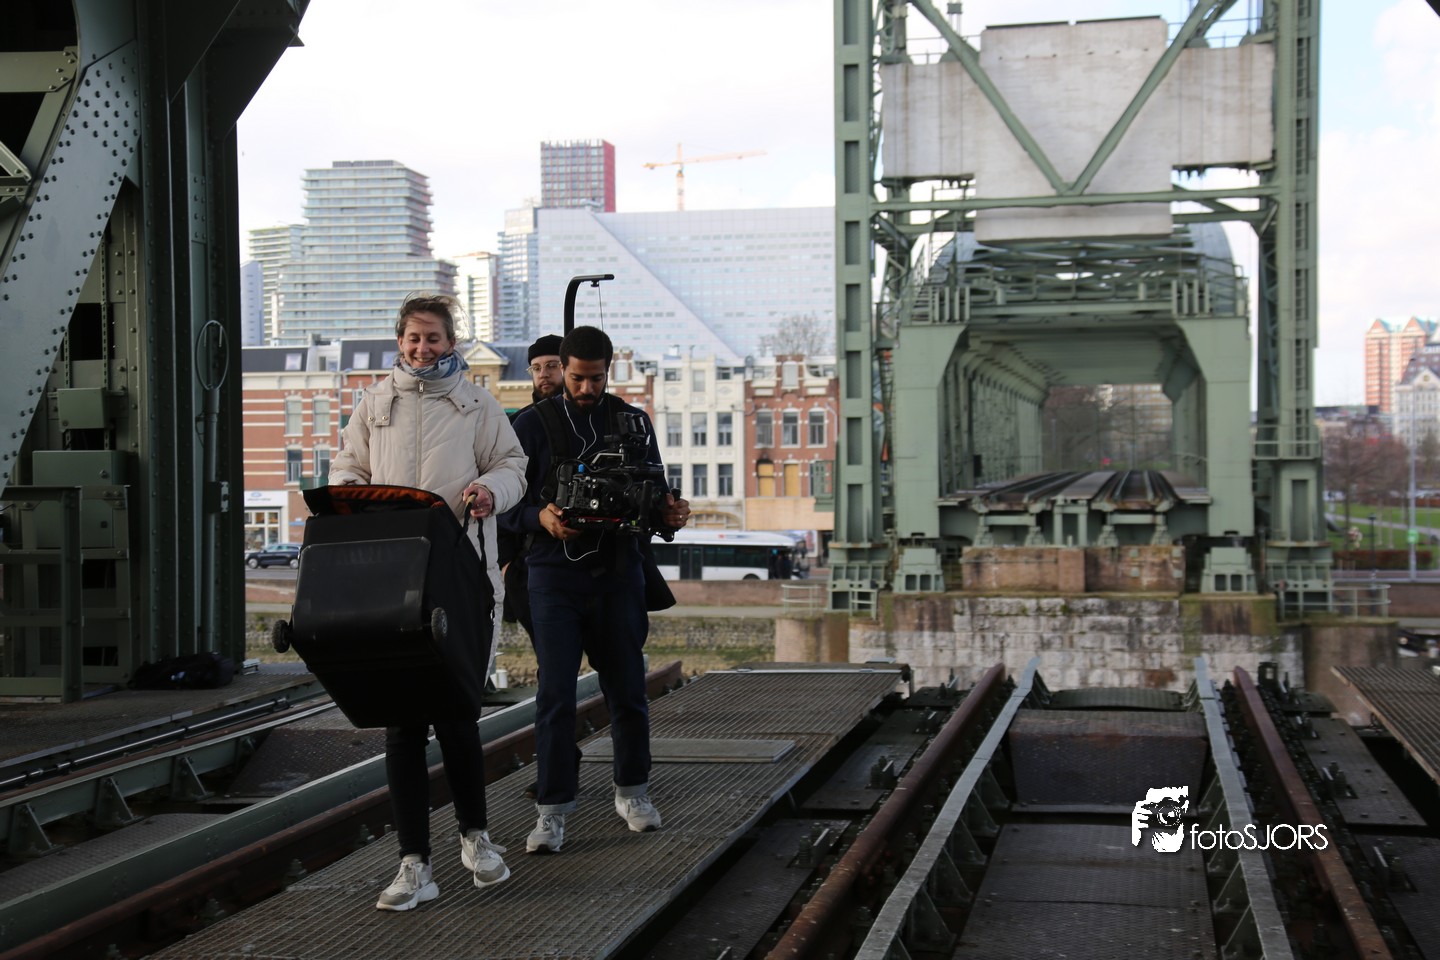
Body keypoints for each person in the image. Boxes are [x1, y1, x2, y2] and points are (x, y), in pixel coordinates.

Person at [329, 293, 527, 911]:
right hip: (392, 575)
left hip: (460, 572)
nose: (422, 348)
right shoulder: (374, 403)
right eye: (413, 338)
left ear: (451, 342)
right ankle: (414, 864)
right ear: (400, 341)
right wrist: (350, 494)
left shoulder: (478, 403)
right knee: (403, 723)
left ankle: (476, 838)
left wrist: (490, 490)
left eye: (433, 338)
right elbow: (347, 467)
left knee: (457, 713)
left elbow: (513, 465)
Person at [497, 325, 690, 854]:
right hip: (552, 577)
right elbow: (502, 504)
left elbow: (653, 495)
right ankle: (552, 810)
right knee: (555, 696)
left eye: (597, 379)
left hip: (619, 573)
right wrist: (540, 518)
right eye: (578, 378)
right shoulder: (529, 425)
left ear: (609, 372)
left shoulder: (634, 421)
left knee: (628, 690)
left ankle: (634, 792)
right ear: (562, 368)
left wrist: (670, 512)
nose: (586, 388)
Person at [499, 334, 565, 636]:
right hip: (529, 560)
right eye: (536, 368)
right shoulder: (521, 424)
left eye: (552, 365)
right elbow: (504, 493)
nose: (544, 374)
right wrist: (506, 564)